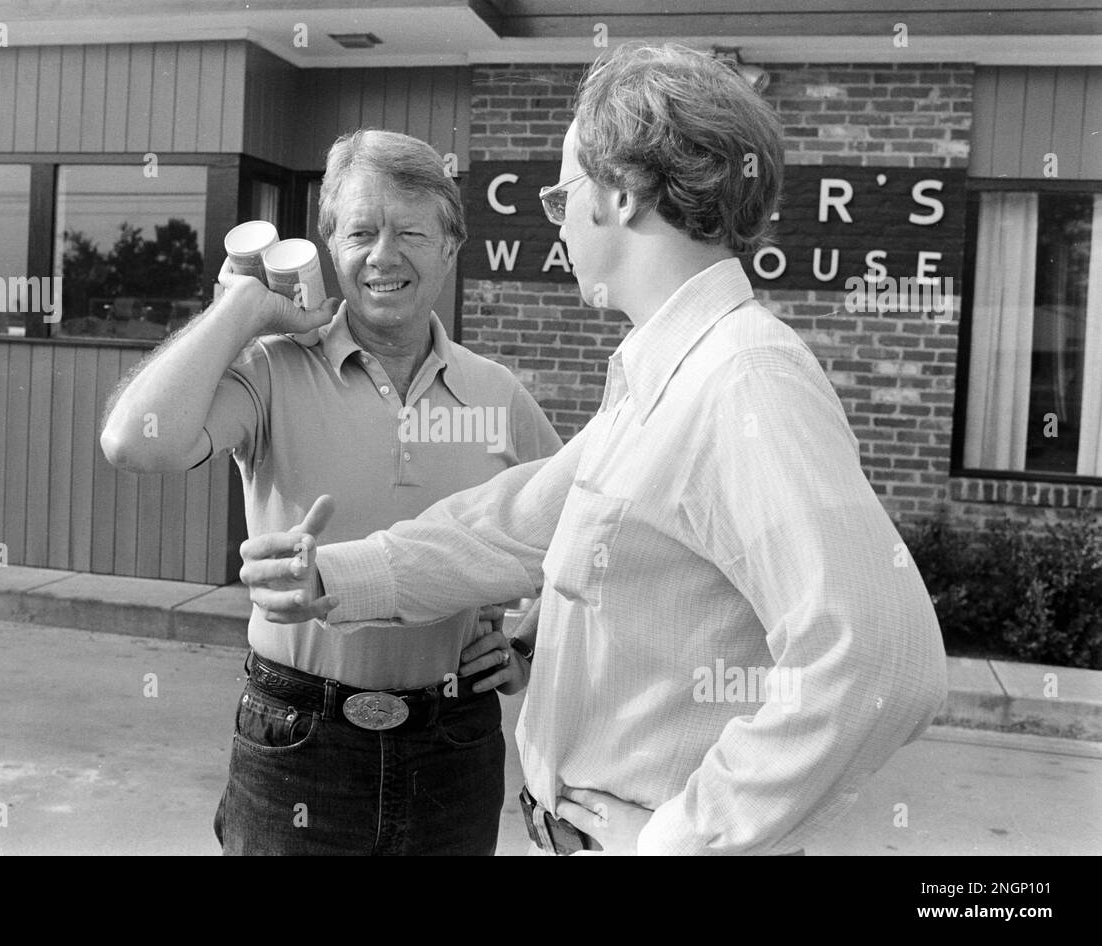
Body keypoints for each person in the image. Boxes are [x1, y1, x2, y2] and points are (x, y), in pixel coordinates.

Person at [237, 43, 949, 856]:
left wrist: (681, 839)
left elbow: (880, 662)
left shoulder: (744, 382)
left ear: (623, 191)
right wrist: (335, 574)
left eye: (563, 190)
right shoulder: (664, 375)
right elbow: (510, 526)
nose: (558, 217)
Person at [99, 129, 562, 855]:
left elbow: (576, 536)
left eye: (411, 230)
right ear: (328, 248)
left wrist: (529, 644)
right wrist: (243, 310)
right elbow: (135, 441)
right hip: (299, 743)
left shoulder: (495, 393)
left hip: (453, 746)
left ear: (450, 246)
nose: (384, 255)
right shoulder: (271, 370)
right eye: (361, 232)